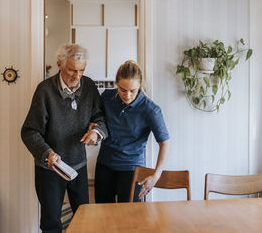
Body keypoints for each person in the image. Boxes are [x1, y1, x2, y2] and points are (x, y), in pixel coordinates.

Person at [21, 43, 108, 233]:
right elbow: (29, 131)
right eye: (72, 70)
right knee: (51, 223)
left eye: (82, 70)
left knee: (84, 219)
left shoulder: (89, 87)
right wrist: (47, 153)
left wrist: (96, 133)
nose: (77, 76)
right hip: (50, 167)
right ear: (59, 64)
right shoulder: (44, 91)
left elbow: (100, 118)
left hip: (78, 165)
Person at [93, 60, 170, 203]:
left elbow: (165, 143)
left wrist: (156, 175)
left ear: (140, 86)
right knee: (102, 215)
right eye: (122, 89)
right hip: (105, 164)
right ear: (117, 83)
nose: (127, 95)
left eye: (133, 91)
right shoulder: (107, 97)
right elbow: (97, 120)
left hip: (132, 170)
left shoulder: (151, 110)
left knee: (129, 218)